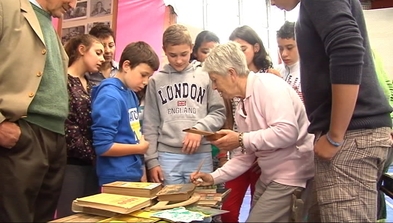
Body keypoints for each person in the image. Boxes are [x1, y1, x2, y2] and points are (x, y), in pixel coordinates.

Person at [271, 0, 393, 222]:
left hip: (349, 138)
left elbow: (347, 47)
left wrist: (335, 135)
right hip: (353, 135)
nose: (271, 2)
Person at [190, 41, 314, 222]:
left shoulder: (268, 86)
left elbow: (287, 132)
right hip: (270, 175)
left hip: (291, 176)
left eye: (215, 80)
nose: (215, 87)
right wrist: (212, 177)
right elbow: (244, 156)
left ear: (231, 73)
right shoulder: (242, 103)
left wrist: (241, 139)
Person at [0, 0, 76, 222]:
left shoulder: (47, 21)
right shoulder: (7, 6)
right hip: (22, 133)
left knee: (43, 216)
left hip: (55, 138)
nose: (73, 5)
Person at [144, 24, 226, 185]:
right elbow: (150, 124)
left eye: (184, 54)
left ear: (192, 48)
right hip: (166, 156)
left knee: (202, 207)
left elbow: (219, 113)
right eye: (172, 55)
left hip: (200, 154)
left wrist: (199, 129)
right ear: (164, 50)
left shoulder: (206, 75)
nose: (179, 60)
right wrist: (152, 161)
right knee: (169, 206)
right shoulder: (156, 81)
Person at [219, 25, 281, 223]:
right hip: (238, 152)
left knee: (258, 207)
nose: (239, 54)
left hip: (263, 155)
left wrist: (263, 152)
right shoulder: (230, 78)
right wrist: (224, 154)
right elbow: (229, 118)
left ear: (256, 47)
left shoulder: (271, 76)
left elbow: (280, 123)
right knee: (227, 209)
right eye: (234, 50)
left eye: (243, 48)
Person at [91, 41, 160, 186]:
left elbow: (134, 133)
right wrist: (139, 148)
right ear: (126, 66)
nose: (146, 81)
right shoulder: (110, 96)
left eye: (149, 77)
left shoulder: (130, 93)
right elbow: (103, 146)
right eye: (143, 75)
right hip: (114, 177)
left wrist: (141, 171)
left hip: (131, 172)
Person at [56, 34, 105, 218]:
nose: (102, 58)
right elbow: (67, 125)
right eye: (98, 52)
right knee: (70, 216)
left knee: (91, 216)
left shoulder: (93, 84)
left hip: (92, 164)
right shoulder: (63, 80)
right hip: (70, 163)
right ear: (82, 50)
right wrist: (95, 152)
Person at [276, 21, 302, 101]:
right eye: (280, 48)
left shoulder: (310, 73)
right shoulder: (276, 71)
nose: (284, 54)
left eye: (289, 48)